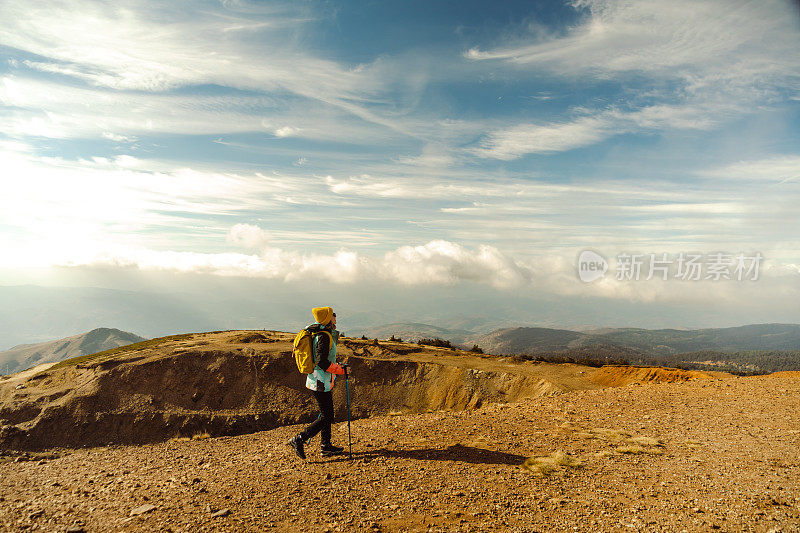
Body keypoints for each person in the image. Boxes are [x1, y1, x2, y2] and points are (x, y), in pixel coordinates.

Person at [288, 306, 347, 459]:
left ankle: (325, 446)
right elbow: (322, 362)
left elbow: (323, 359)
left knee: (326, 414)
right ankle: (299, 439)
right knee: (327, 416)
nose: (335, 317)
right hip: (320, 382)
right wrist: (341, 370)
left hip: (319, 380)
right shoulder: (323, 335)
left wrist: (337, 366)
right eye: (333, 315)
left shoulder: (318, 332)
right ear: (328, 319)